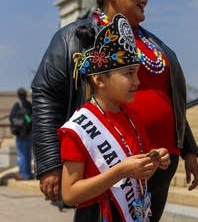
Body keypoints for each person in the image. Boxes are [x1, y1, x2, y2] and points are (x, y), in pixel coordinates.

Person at [31, 0, 198, 221]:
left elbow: (172, 98)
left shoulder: (156, 46)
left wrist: (188, 149)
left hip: (158, 162)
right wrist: (50, 163)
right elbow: (46, 95)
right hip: (104, 161)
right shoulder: (73, 38)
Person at [58, 13, 170, 221]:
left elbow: (140, 172)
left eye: (136, 73)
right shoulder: (77, 129)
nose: (137, 81)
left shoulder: (133, 117)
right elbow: (70, 194)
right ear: (99, 79)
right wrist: (120, 172)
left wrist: (154, 160)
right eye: (129, 74)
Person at [9, 87, 33, 180]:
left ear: (18, 95)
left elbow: (11, 118)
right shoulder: (29, 105)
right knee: (28, 154)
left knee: (21, 154)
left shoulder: (17, 105)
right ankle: (29, 174)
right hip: (29, 133)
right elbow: (32, 118)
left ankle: (24, 175)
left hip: (20, 134)